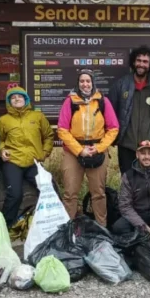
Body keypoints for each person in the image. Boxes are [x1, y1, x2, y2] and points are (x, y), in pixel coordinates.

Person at [57, 69, 119, 227]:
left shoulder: (102, 101)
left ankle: (101, 228)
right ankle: (67, 228)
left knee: (98, 193)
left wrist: (99, 148)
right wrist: (79, 150)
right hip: (73, 152)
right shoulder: (70, 101)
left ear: (93, 83)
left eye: (88, 81)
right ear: (78, 83)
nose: (85, 84)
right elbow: (62, 129)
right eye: (82, 81)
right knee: (70, 193)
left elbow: (113, 128)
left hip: (97, 150)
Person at [0, 86, 54, 227]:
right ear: (9, 102)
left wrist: (45, 152)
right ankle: (4, 227)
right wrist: (2, 149)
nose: (17, 99)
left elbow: (48, 136)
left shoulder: (37, 116)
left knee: (48, 188)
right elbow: (0, 139)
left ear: (26, 99)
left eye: (20, 96)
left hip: (33, 162)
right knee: (15, 195)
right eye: (13, 97)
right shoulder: (3, 120)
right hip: (13, 161)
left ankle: (51, 224)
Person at [108, 46, 150, 174]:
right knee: (129, 185)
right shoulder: (120, 85)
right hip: (127, 146)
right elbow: (110, 114)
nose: (141, 64)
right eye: (138, 60)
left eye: (145, 61)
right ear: (133, 62)